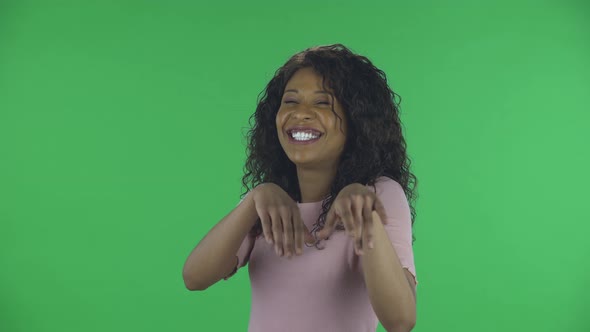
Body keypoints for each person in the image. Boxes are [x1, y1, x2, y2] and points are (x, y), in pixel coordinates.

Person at [182, 44, 418, 332]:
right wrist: (253, 199)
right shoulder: (267, 201)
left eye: (322, 103)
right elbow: (195, 278)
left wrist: (365, 216)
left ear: (358, 121)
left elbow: (401, 320)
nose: (301, 114)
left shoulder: (379, 195)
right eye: (291, 102)